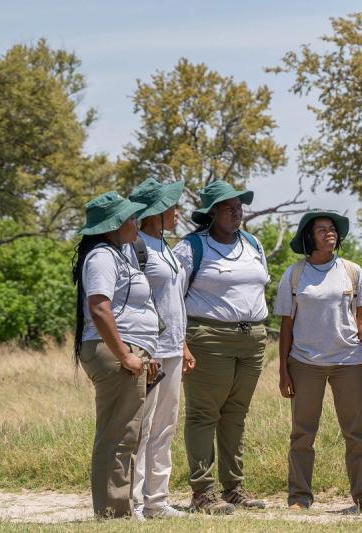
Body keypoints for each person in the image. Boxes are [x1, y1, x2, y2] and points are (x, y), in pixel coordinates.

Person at [172, 180, 269, 515]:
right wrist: (180, 342)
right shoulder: (191, 248)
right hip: (208, 338)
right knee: (203, 414)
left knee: (235, 415)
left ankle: (234, 489)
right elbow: (172, 299)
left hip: (252, 338)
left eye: (239, 205)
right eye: (228, 207)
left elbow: (258, 288)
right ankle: (202, 493)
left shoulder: (253, 243)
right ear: (211, 213)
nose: (236, 211)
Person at [274, 210, 362, 514]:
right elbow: (286, 326)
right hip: (305, 362)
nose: (329, 233)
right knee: (302, 434)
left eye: (332, 229)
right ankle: (299, 497)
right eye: (321, 230)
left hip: (349, 361)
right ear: (309, 237)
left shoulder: (352, 270)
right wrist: (283, 370)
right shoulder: (295, 275)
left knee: (356, 434)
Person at [72, 191, 160, 518]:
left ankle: (120, 506)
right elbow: (99, 308)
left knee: (127, 432)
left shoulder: (120, 253)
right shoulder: (102, 257)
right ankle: (112, 512)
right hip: (113, 352)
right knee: (117, 434)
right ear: (113, 225)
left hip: (128, 350)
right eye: (130, 218)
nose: (135, 223)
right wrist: (125, 355)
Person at [128, 178, 196, 519]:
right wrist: (146, 349)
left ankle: (157, 500)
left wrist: (182, 344)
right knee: (143, 425)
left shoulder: (166, 247)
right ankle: (135, 501)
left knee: (165, 426)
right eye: (172, 206)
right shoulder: (135, 246)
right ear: (156, 212)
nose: (177, 212)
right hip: (149, 350)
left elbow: (173, 301)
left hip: (172, 348)